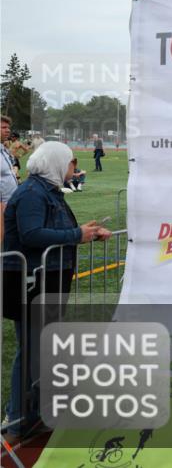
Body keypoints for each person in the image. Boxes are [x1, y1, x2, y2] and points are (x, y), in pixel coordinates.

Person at [2, 142, 111, 442]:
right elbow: (32, 233)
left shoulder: (45, 191)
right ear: (56, 162)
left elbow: (53, 229)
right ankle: (18, 420)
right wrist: (78, 235)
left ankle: (36, 413)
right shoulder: (33, 194)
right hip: (31, 282)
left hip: (45, 281)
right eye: (70, 162)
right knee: (32, 350)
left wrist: (85, 232)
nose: (73, 168)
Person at [1, 116, 19, 242]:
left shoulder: (3, 149)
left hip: (10, 205)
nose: (8, 130)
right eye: (3, 127)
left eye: (8, 128)